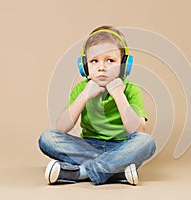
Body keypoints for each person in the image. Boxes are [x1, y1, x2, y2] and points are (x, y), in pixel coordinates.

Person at [38, 25, 156, 186]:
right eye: (94, 61)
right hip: (87, 146)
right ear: (85, 66)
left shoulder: (130, 89)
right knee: (47, 138)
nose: (101, 67)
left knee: (146, 142)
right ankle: (116, 172)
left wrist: (118, 95)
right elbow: (61, 128)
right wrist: (84, 96)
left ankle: (81, 172)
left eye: (110, 60)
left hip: (122, 147)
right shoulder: (81, 89)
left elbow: (138, 130)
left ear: (124, 64)